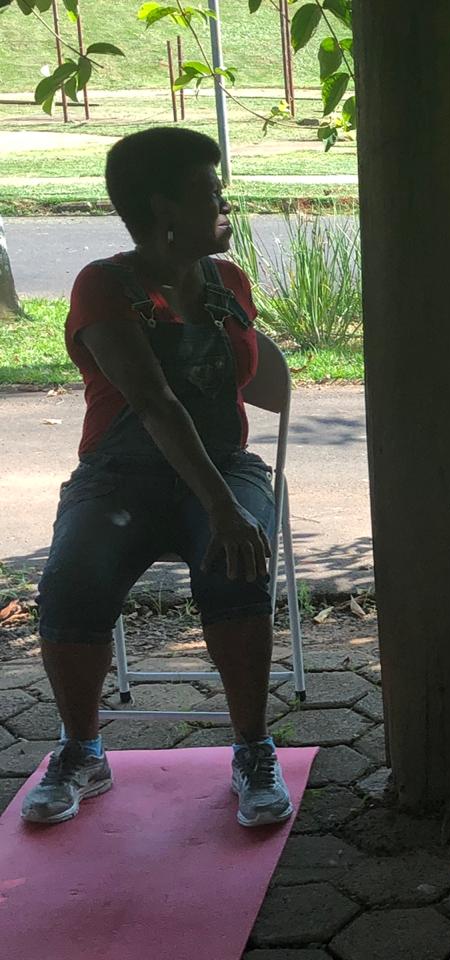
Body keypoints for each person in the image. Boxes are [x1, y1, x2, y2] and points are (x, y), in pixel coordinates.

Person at [21, 128, 292, 829]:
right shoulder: (104, 285)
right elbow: (155, 402)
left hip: (226, 465)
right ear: (163, 206)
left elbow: (248, 380)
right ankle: (82, 750)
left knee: (236, 571)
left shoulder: (228, 282)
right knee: (73, 579)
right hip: (121, 476)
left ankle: (253, 749)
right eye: (210, 190)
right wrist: (224, 509)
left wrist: (230, 504)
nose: (224, 201)